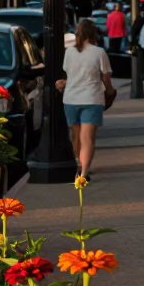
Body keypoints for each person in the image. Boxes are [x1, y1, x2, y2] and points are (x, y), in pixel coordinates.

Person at [56, 18, 115, 181]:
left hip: (71, 98)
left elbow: (71, 75)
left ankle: (77, 164)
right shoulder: (99, 52)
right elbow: (106, 77)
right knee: (87, 138)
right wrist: (110, 91)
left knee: (75, 136)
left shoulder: (69, 52)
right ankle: (84, 173)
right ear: (94, 34)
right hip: (92, 98)